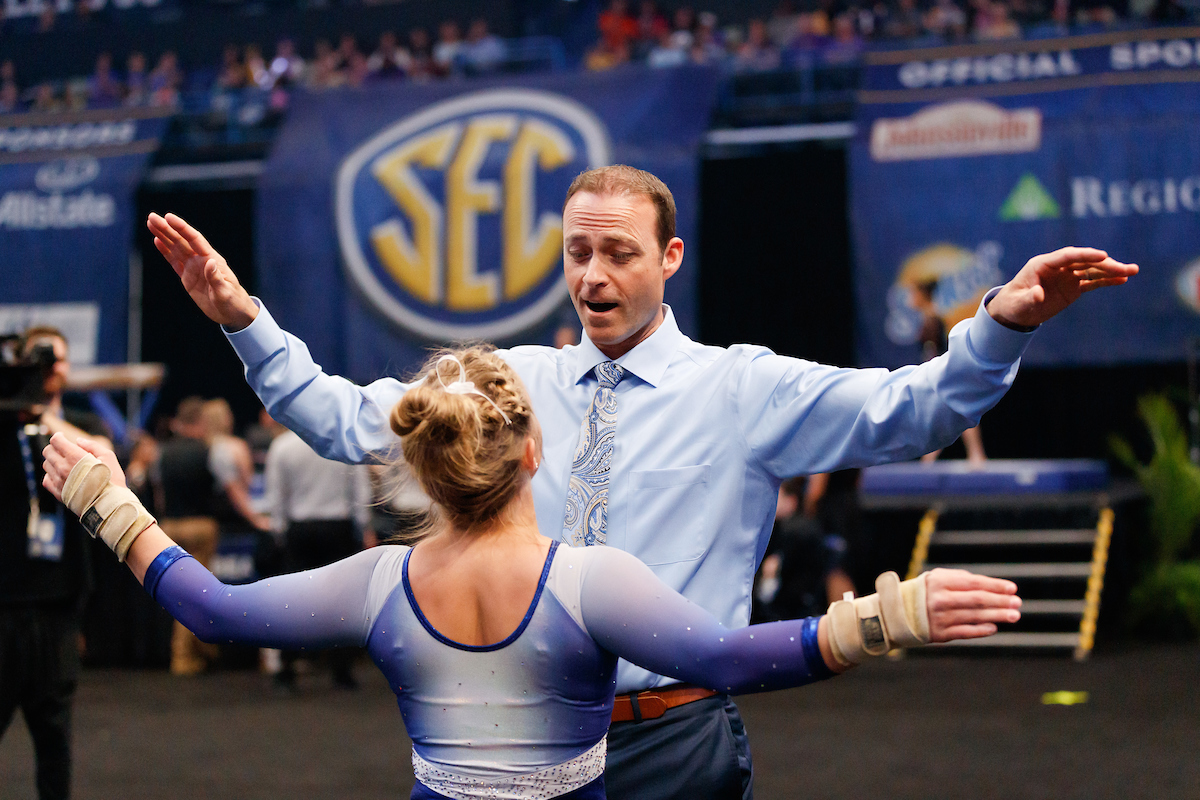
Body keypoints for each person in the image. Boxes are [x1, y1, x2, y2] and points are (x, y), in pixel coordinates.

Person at [145, 165, 1135, 799]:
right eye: (578, 251)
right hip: (517, 744)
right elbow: (348, 416)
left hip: (675, 739)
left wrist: (1002, 323)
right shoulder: (515, 382)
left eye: (619, 251)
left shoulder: (740, 385)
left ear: (669, 257)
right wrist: (242, 319)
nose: (593, 273)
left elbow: (909, 409)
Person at [40, 347, 1023, 800]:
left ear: (423, 465)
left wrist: (105, 497)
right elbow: (733, 653)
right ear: (531, 454)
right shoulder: (588, 579)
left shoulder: (382, 580)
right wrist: (887, 615)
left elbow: (208, 606)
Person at [1, 327, 109, 800]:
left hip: (57, 607)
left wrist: (42, 416)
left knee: (55, 738)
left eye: (59, 360)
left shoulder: (76, 426)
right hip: (2, 606)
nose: (53, 369)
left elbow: (103, 460)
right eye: (42, 362)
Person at [263, 428, 372, 690]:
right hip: (338, 527)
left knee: (292, 599)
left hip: (300, 528)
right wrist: (364, 525)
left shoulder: (282, 446)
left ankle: (286, 667)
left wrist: (279, 529)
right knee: (341, 599)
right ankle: (342, 671)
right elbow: (360, 489)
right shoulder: (342, 441)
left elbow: (276, 494)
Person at [156, 397, 221, 675]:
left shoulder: (164, 452)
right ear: (201, 422)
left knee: (177, 591)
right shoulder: (207, 451)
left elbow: (159, 493)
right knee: (195, 593)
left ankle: (203, 649)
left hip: (170, 525)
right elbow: (219, 488)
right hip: (200, 525)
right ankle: (183, 656)